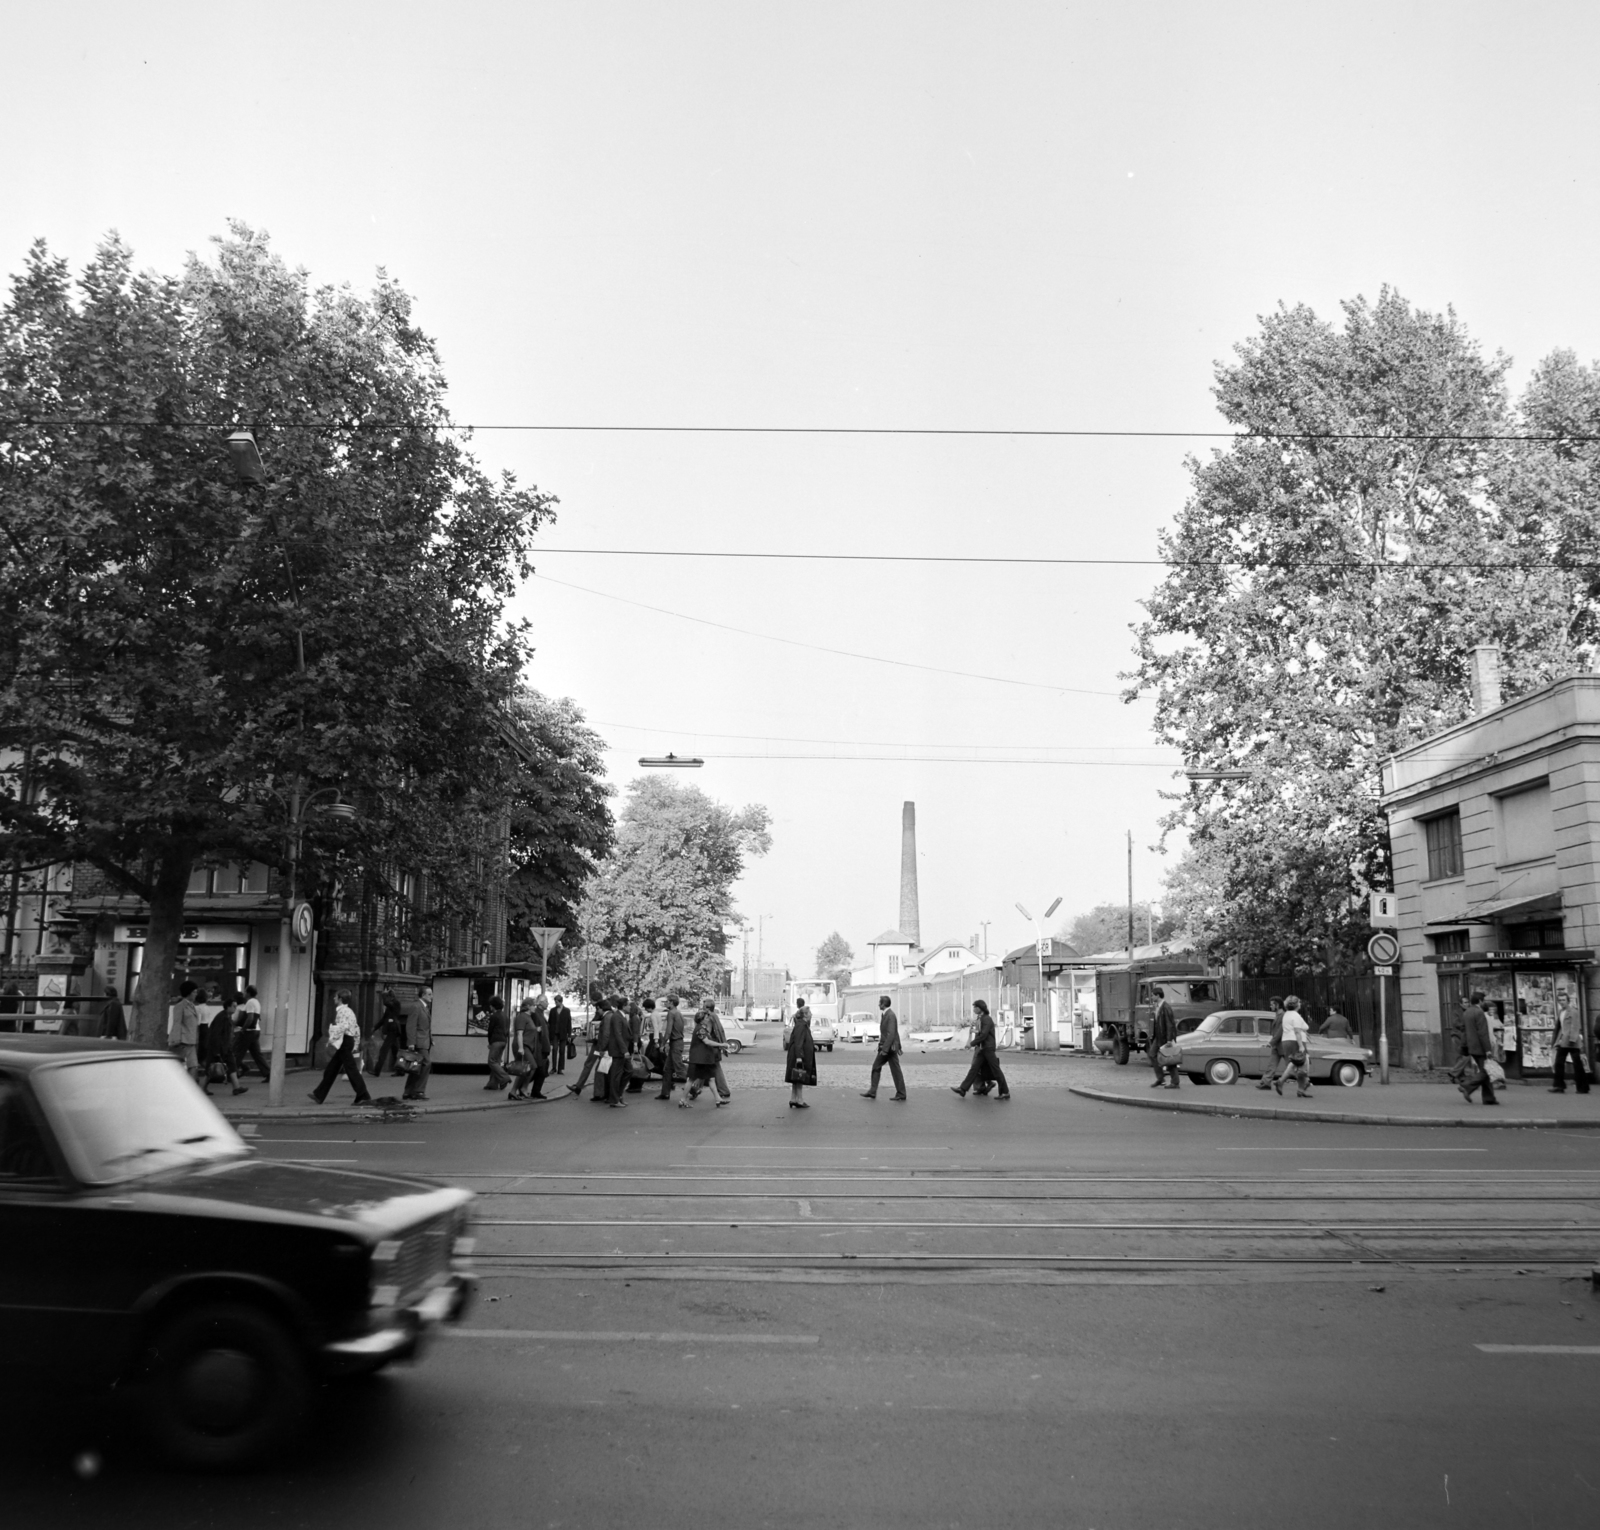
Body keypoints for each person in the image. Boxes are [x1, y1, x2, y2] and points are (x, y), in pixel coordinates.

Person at [311, 989, 374, 1106]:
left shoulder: (342, 1012)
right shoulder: (349, 1011)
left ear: (340, 999)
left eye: (335, 997)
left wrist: (332, 1039)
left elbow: (342, 1027)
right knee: (332, 1069)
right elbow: (356, 1028)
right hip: (347, 1042)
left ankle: (363, 1095)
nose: (334, 999)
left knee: (351, 1069)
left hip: (344, 1042)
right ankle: (319, 1094)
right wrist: (355, 1043)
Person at [952, 999, 1009, 1099]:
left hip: (988, 1048)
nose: (973, 1009)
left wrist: (971, 1044)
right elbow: (981, 1033)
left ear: (980, 1008)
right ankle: (963, 1089)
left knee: (996, 1070)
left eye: (975, 1007)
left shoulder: (986, 1019)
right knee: (974, 1069)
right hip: (983, 1049)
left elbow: (983, 1035)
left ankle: (1005, 1092)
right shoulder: (981, 1018)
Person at [680, 1000, 728, 1108]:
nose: (708, 1018)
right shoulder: (700, 1029)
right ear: (702, 1020)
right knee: (692, 1079)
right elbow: (707, 1041)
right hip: (699, 1059)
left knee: (710, 1078)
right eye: (706, 1017)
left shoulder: (702, 1028)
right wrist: (721, 1044)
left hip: (703, 1058)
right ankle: (683, 1099)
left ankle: (718, 1099)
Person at [861, 993, 907, 1101]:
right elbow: (894, 1033)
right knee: (895, 1070)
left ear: (883, 1004)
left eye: (879, 1003)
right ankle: (901, 1093)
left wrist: (885, 1049)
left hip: (888, 1049)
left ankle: (873, 1091)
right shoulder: (888, 1014)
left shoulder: (890, 1015)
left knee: (876, 1067)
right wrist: (898, 1046)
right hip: (889, 1047)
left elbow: (891, 1034)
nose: (878, 1005)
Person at [1459, 990, 1499, 1106]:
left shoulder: (1467, 1012)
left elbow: (1464, 1031)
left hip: (1471, 1046)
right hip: (1480, 1047)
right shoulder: (1479, 1013)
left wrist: (1464, 1046)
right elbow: (1483, 1033)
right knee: (1486, 1071)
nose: (1484, 1003)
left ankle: (1489, 1098)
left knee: (1485, 1070)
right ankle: (1467, 1086)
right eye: (1483, 1000)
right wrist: (1488, 1050)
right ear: (1480, 1001)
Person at [204, 998, 248, 1097]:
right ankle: (202, 1088)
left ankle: (236, 1087)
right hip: (219, 1048)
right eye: (233, 1006)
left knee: (232, 1066)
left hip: (226, 1047)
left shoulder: (227, 1017)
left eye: (236, 1006)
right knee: (211, 1068)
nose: (235, 1008)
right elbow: (216, 1034)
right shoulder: (222, 1017)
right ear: (227, 1006)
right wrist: (216, 1052)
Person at [1271, 995, 1312, 1098]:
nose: (1300, 1004)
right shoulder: (1296, 1016)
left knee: (1294, 1063)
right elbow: (1297, 1031)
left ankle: (1299, 1089)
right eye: (1299, 1002)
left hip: (1286, 1041)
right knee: (1303, 1063)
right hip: (1295, 1041)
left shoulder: (1287, 1015)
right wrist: (1301, 1046)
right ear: (1297, 1004)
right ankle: (1296, 1085)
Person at [1550, 995, 1591, 1095]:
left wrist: (1572, 1039)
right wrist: (1554, 1041)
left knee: (1578, 1065)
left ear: (1568, 1001)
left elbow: (1575, 1026)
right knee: (1559, 1063)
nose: (1561, 1002)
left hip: (1572, 1042)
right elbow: (1559, 1028)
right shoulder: (1560, 1012)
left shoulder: (1573, 1011)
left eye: (1563, 1000)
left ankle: (1583, 1087)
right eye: (1560, 1000)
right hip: (1563, 1041)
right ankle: (1559, 1086)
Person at [403, 982, 433, 1101]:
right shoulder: (416, 1006)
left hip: (424, 1040)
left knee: (416, 1066)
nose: (432, 996)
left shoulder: (425, 1007)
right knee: (426, 1063)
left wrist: (431, 1039)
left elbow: (426, 1026)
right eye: (429, 994)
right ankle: (418, 1091)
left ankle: (408, 1091)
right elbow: (411, 1025)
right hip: (419, 1041)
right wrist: (411, 1042)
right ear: (423, 995)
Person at [785, 1000, 817, 1109]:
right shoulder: (801, 1026)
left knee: (796, 1078)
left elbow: (802, 1041)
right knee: (799, 1078)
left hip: (797, 1055)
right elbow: (798, 1042)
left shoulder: (801, 1025)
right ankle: (799, 1100)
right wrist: (799, 1057)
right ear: (805, 1015)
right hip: (798, 1056)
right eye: (810, 1013)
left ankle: (793, 1098)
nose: (811, 1014)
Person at [170, 980, 203, 1082]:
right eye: (194, 992)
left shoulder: (192, 1006)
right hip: (183, 1041)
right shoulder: (180, 1006)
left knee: (193, 1066)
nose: (196, 994)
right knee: (188, 1066)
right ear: (189, 992)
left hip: (191, 1040)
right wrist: (176, 1040)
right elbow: (177, 1023)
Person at [233, 985, 269, 1077]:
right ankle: (268, 1073)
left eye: (245, 992)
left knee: (238, 1053)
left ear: (248, 993)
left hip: (248, 1031)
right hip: (256, 1030)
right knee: (257, 1055)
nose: (244, 993)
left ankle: (232, 1074)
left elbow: (250, 1018)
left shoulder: (249, 1002)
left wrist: (243, 1029)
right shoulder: (256, 1002)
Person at [656, 995, 687, 1101]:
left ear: (672, 1002)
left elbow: (668, 1031)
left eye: (667, 1002)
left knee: (679, 1069)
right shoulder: (678, 1013)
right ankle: (665, 1093)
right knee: (667, 1069)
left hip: (675, 1043)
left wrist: (663, 1043)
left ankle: (693, 1087)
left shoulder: (671, 1013)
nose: (666, 1003)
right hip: (677, 1042)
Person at [1148, 992, 1180, 1089]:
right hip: (1159, 1036)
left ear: (1158, 995)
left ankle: (1175, 1082)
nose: (1151, 997)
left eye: (1153, 995)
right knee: (1152, 1054)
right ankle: (1160, 1078)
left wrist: (1169, 1039)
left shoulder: (1165, 1007)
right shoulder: (1158, 1006)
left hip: (1165, 1037)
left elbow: (1169, 1024)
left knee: (1169, 1058)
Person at [373, 985, 407, 1076]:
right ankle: (401, 1070)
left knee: (384, 1050)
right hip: (392, 1030)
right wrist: (374, 1028)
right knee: (396, 1051)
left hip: (393, 1029)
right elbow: (383, 1019)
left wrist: (383, 994)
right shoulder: (390, 1006)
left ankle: (377, 1070)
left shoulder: (396, 1003)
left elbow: (386, 1003)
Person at [1255, 997, 1285, 1091]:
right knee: (1271, 1065)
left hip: (1283, 1045)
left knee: (1291, 1066)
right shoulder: (1278, 1015)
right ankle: (1266, 1083)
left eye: (1272, 1004)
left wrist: (1271, 1042)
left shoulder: (1283, 1016)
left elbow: (1280, 1032)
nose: (1270, 1006)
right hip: (1277, 1045)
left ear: (1278, 1005)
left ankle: (1304, 1080)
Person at [484, 996, 512, 1091]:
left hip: (496, 1040)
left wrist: (490, 1042)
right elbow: (507, 1030)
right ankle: (492, 1084)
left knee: (491, 1061)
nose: (490, 1007)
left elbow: (490, 1030)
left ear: (493, 1006)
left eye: (491, 1005)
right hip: (503, 1041)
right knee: (497, 1062)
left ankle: (504, 1078)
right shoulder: (505, 1016)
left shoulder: (494, 1016)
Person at [548, 992, 572, 1075]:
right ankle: (554, 1068)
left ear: (560, 1001)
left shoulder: (566, 1010)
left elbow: (569, 1022)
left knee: (562, 1050)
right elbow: (550, 1022)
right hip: (554, 1033)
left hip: (563, 1033)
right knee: (554, 1049)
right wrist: (549, 1034)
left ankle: (560, 1068)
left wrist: (569, 1034)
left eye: (557, 1002)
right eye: (555, 1002)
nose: (556, 1003)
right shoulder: (552, 1010)